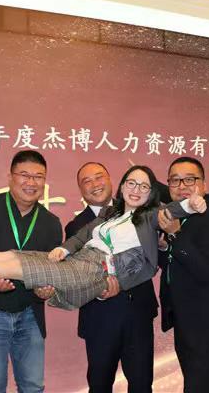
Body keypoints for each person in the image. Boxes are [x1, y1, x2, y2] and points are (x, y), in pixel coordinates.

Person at [0, 165, 206, 311]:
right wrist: (64, 250)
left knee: (17, 267)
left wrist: (193, 203)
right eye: (132, 183)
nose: (137, 189)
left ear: (150, 193)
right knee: (11, 257)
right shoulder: (110, 215)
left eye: (144, 186)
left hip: (96, 270)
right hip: (80, 261)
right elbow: (82, 235)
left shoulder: (148, 217)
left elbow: (175, 209)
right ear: (123, 186)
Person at [0, 150, 62, 393]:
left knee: (33, 386)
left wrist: (45, 290)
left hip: (30, 315)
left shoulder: (51, 223)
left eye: (38, 177)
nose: (31, 182)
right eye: (24, 175)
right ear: (10, 177)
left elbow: (50, 272)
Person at [65, 162, 158, 393]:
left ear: (113, 180)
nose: (95, 184)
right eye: (87, 181)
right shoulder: (77, 227)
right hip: (100, 317)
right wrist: (100, 289)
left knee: (142, 384)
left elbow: (157, 257)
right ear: (80, 189)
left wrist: (164, 243)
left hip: (138, 314)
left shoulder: (141, 208)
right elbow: (79, 271)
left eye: (99, 177)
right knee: (100, 385)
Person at [157, 157, 209, 393]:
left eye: (189, 179)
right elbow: (173, 265)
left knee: (198, 386)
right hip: (184, 317)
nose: (181, 186)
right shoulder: (175, 215)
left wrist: (176, 236)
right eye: (175, 180)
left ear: (203, 184)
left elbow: (207, 268)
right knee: (205, 384)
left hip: (207, 320)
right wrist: (165, 247)